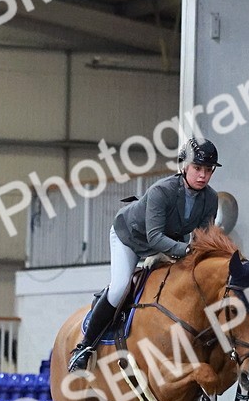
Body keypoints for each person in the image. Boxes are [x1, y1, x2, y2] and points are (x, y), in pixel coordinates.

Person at [67, 137, 221, 371]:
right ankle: (84, 347)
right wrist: (186, 250)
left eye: (208, 170)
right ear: (184, 167)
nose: (202, 175)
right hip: (131, 238)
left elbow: (202, 237)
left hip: (168, 241)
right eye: (197, 168)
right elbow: (154, 237)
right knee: (120, 287)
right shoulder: (162, 191)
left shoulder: (211, 199)